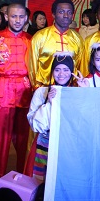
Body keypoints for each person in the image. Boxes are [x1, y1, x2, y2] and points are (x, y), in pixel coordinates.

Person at [0, 3, 32, 182]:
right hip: (1, 91)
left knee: (24, 140)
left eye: (21, 17)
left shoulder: (30, 40)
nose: (17, 20)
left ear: (26, 18)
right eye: (14, 16)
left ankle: (25, 181)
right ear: (7, 17)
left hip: (25, 91)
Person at [27, 52, 75, 181]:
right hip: (44, 144)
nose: (61, 74)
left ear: (72, 72)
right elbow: (35, 125)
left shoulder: (75, 92)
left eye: (66, 70)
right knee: (40, 182)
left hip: (68, 145)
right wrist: (49, 102)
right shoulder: (41, 92)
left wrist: (85, 90)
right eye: (57, 69)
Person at [28, 0, 84, 90]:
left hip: (70, 90)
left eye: (69, 12)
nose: (66, 15)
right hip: (44, 89)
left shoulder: (78, 39)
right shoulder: (40, 37)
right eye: (61, 12)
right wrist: (38, 89)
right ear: (53, 14)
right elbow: (32, 66)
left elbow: (80, 67)